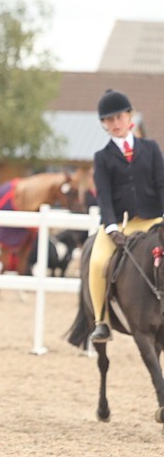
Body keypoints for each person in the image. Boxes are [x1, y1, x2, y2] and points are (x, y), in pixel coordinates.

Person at [89, 90, 164, 342]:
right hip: (120, 223)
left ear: (129, 116)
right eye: (108, 120)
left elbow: (161, 184)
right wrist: (110, 228)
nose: (115, 123)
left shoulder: (151, 148)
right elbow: (104, 196)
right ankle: (102, 323)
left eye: (119, 117)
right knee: (98, 263)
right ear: (103, 125)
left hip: (153, 219)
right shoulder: (102, 158)